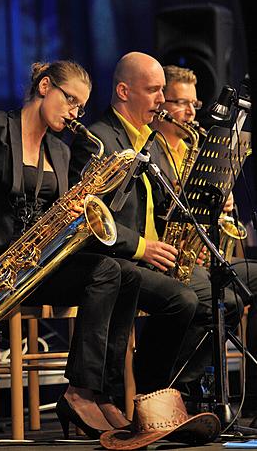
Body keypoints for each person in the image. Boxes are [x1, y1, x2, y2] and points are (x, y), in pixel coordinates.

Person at [0, 60, 142, 439]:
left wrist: (72, 214)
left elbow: (51, 218)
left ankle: (91, 391)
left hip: (34, 266)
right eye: (70, 100)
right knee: (109, 271)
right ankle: (82, 394)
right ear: (45, 86)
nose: (75, 114)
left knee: (124, 273)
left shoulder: (59, 150)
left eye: (81, 107)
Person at [69, 51, 227, 397]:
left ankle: (177, 392)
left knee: (222, 296)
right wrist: (144, 248)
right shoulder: (98, 138)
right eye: (155, 91)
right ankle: (150, 392)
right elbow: (92, 216)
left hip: (153, 259)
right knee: (184, 301)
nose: (161, 100)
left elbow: (165, 210)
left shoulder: (150, 142)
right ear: (124, 92)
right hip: (121, 261)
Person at [151, 64, 257, 416]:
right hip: (168, 257)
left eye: (194, 105)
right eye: (180, 103)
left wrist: (220, 202)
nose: (190, 112)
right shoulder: (151, 149)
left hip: (200, 255)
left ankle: (252, 396)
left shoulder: (196, 149)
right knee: (222, 301)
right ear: (162, 104)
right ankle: (182, 389)